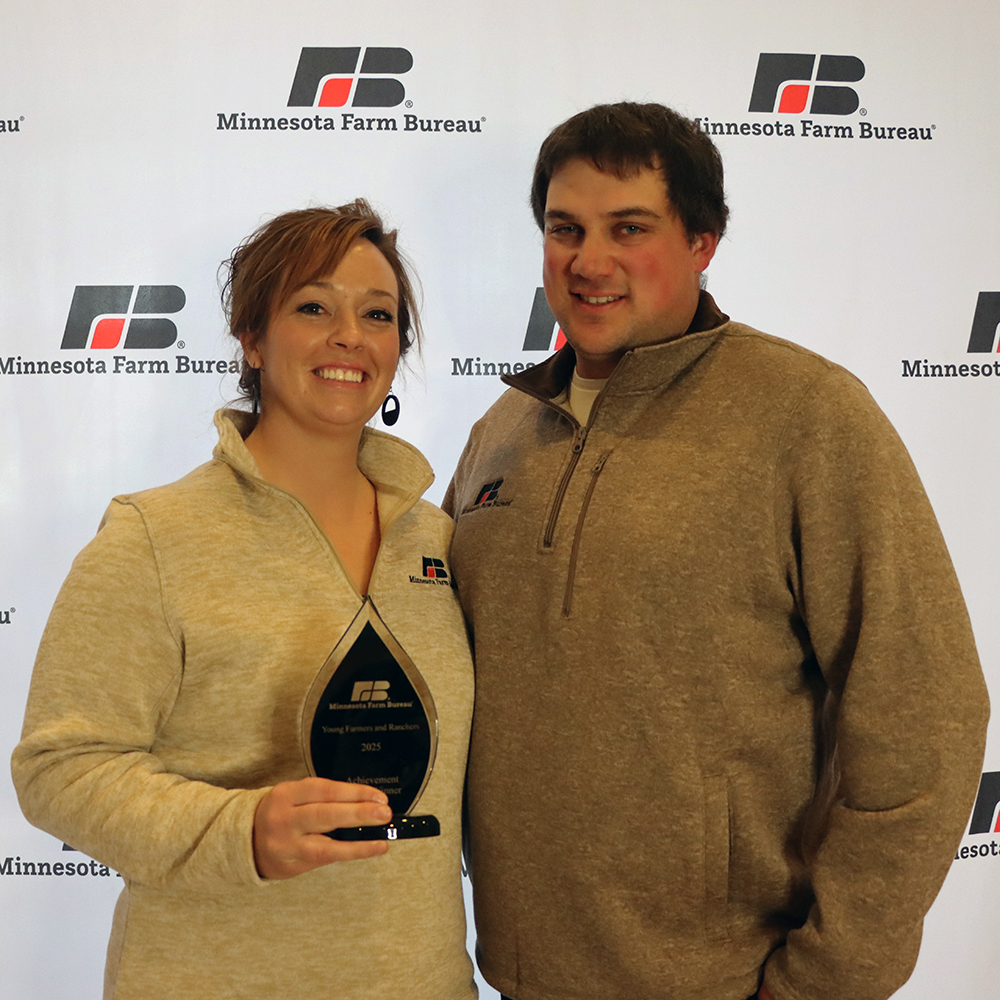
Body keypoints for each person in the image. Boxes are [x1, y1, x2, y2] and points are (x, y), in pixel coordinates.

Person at [443, 103, 989, 1000]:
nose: (589, 261)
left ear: (704, 242)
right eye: (564, 229)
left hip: (726, 982)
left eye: (630, 229)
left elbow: (926, 719)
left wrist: (831, 977)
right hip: (516, 972)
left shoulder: (807, 415)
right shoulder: (504, 431)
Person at [12, 202, 476, 1000]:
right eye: (312, 307)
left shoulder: (437, 538)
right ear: (252, 340)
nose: (349, 336)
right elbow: (60, 768)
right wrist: (242, 832)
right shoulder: (153, 535)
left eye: (378, 315)